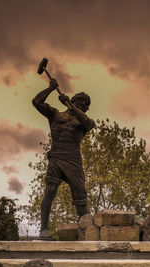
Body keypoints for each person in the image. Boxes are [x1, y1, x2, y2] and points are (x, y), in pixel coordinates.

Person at [32, 79, 95, 240]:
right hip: (57, 158)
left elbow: (88, 123)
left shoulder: (82, 122)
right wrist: (50, 88)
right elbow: (36, 102)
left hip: (73, 160)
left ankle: (85, 230)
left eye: (88, 104)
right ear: (76, 100)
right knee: (50, 191)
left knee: (80, 195)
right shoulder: (55, 115)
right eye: (85, 103)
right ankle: (44, 229)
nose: (87, 107)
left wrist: (70, 106)